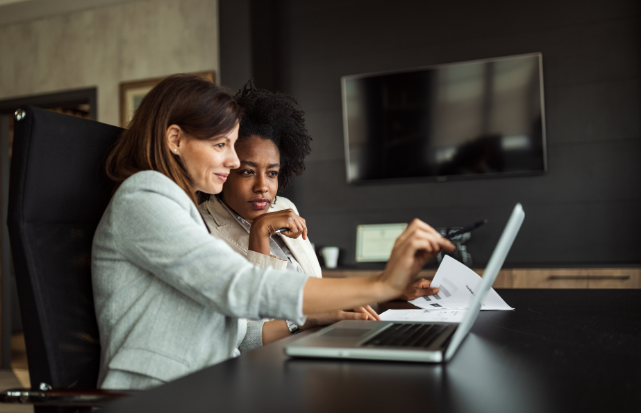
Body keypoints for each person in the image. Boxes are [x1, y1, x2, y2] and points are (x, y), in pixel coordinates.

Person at [92, 74, 454, 390]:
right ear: (174, 139)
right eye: (221, 145)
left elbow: (232, 328)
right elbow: (238, 286)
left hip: (211, 381)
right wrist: (381, 285)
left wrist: (315, 316)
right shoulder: (144, 198)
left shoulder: (173, 205)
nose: (233, 161)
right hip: (161, 394)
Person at [199, 81, 441, 345]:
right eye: (247, 171)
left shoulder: (284, 208)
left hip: (320, 344)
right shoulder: (202, 231)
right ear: (225, 169)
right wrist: (259, 233)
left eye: (272, 173)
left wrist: (390, 291)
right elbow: (245, 337)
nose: (262, 187)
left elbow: (318, 294)